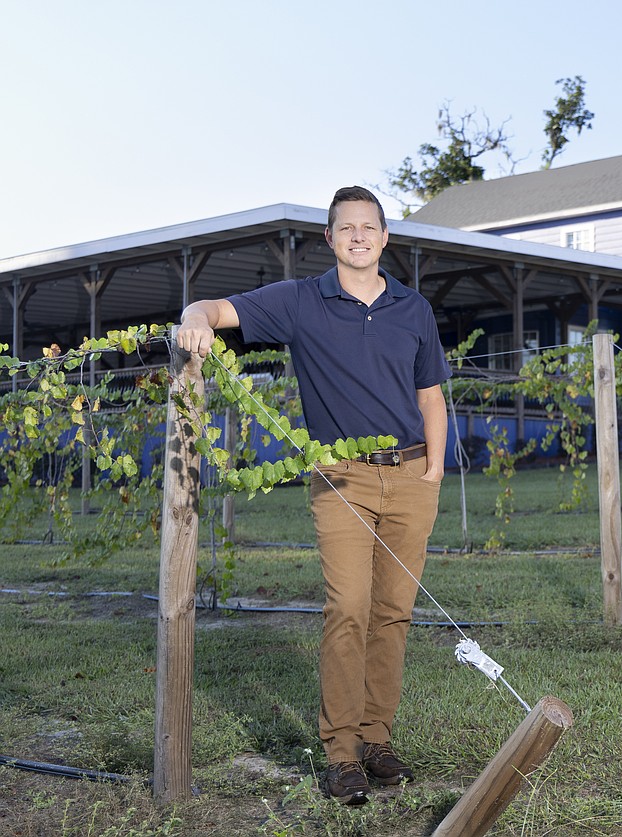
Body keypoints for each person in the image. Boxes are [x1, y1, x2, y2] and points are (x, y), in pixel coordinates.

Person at [176, 186, 451, 805]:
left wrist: (434, 469)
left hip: (411, 477)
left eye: (368, 227)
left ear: (385, 237)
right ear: (329, 239)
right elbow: (215, 309)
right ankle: (342, 754)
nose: (358, 236)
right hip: (342, 480)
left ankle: (377, 740)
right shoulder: (301, 301)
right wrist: (194, 319)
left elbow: (430, 394)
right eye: (345, 227)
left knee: (393, 613)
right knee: (349, 606)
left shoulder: (413, 308)